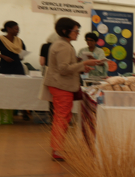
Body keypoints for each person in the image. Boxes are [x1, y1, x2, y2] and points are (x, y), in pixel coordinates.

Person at [44, 17, 106, 160]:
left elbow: (67, 67)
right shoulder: (62, 46)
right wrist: (85, 63)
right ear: (65, 31)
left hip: (62, 85)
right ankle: (57, 149)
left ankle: (57, 147)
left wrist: (82, 68)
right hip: (61, 86)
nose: (78, 33)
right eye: (76, 31)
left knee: (62, 116)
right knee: (62, 117)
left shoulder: (64, 44)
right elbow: (64, 69)